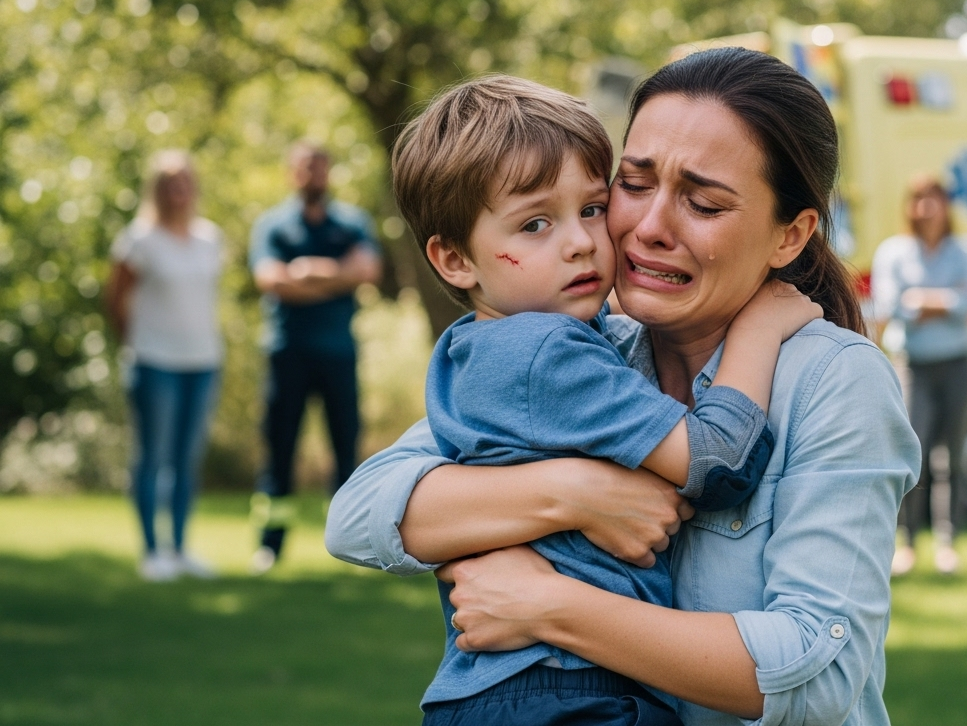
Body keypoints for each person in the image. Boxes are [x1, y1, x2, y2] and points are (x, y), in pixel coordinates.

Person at [327, 47, 920, 725]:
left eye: (702, 202)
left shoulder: (833, 380)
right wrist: (575, 496)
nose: (648, 227)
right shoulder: (587, 351)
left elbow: (820, 673)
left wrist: (553, 607)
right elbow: (359, 514)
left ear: (791, 235)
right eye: (633, 186)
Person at [390, 73, 822, 723]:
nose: (581, 242)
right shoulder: (546, 356)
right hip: (567, 689)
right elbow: (717, 464)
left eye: (592, 208)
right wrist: (759, 329)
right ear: (454, 260)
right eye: (535, 223)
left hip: (514, 685)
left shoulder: (474, 348)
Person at [247, 142, 382, 573]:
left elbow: (368, 271)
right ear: (293, 173)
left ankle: (350, 546)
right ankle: (270, 546)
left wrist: (307, 273)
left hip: (338, 354)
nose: (314, 175)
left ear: (330, 172)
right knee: (279, 452)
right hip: (287, 355)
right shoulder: (273, 225)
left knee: (346, 450)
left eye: (320, 167)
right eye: (306, 168)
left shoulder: (352, 223)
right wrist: (337, 278)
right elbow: (270, 280)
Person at [104, 150, 224, 581]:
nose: (179, 190)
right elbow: (115, 300)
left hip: (204, 361)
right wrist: (136, 345)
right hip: (154, 362)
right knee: (153, 457)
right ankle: (152, 552)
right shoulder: (138, 240)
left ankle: (179, 549)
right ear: (158, 188)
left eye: (185, 181)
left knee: (186, 459)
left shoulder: (211, 238)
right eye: (170, 183)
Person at [871, 175, 967, 576]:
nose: (927, 207)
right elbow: (890, 304)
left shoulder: (965, 250)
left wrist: (920, 300)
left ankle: (948, 542)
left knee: (952, 455)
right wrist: (941, 300)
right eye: (919, 199)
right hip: (912, 365)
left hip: (957, 363)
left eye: (934, 198)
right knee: (910, 452)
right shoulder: (895, 251)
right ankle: (907, 542)